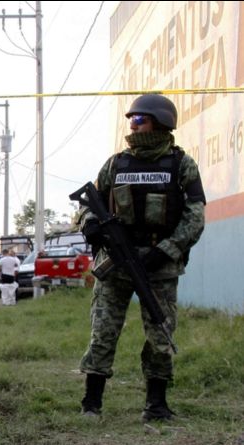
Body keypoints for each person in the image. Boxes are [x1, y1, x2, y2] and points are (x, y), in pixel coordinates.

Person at [78, 94, 205, 421]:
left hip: (159, 266)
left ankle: (156, 405)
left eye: (139, 119)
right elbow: (88, 203)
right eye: (130, 119)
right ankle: (91, 403)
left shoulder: (181, 165)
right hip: (115, 263)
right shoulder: (116, 163)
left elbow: (195, 217)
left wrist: (165, 250)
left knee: (161, 334)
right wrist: (90, 224)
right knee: (103, 332)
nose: (132, 125)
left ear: (160, 123)